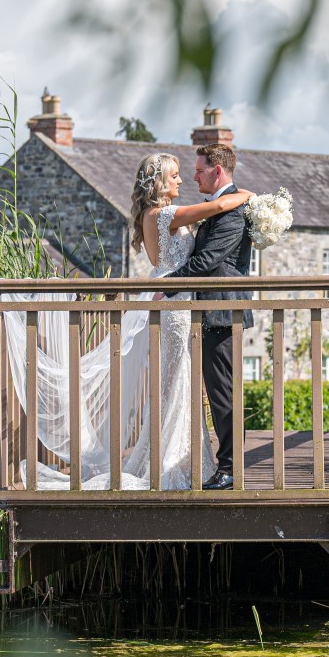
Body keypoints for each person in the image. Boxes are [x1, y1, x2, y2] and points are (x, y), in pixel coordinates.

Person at [125, 153, 251, 488]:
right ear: (160, 182)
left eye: (188, 173)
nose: (183, 180)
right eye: (177, 175)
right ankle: (172, 463)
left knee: (179, 380)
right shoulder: (166, 214)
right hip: (175, 298)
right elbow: (216, 208)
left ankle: (184, 457)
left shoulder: (156, 215)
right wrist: (245, 197)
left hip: (176, 298)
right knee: (179, 379)